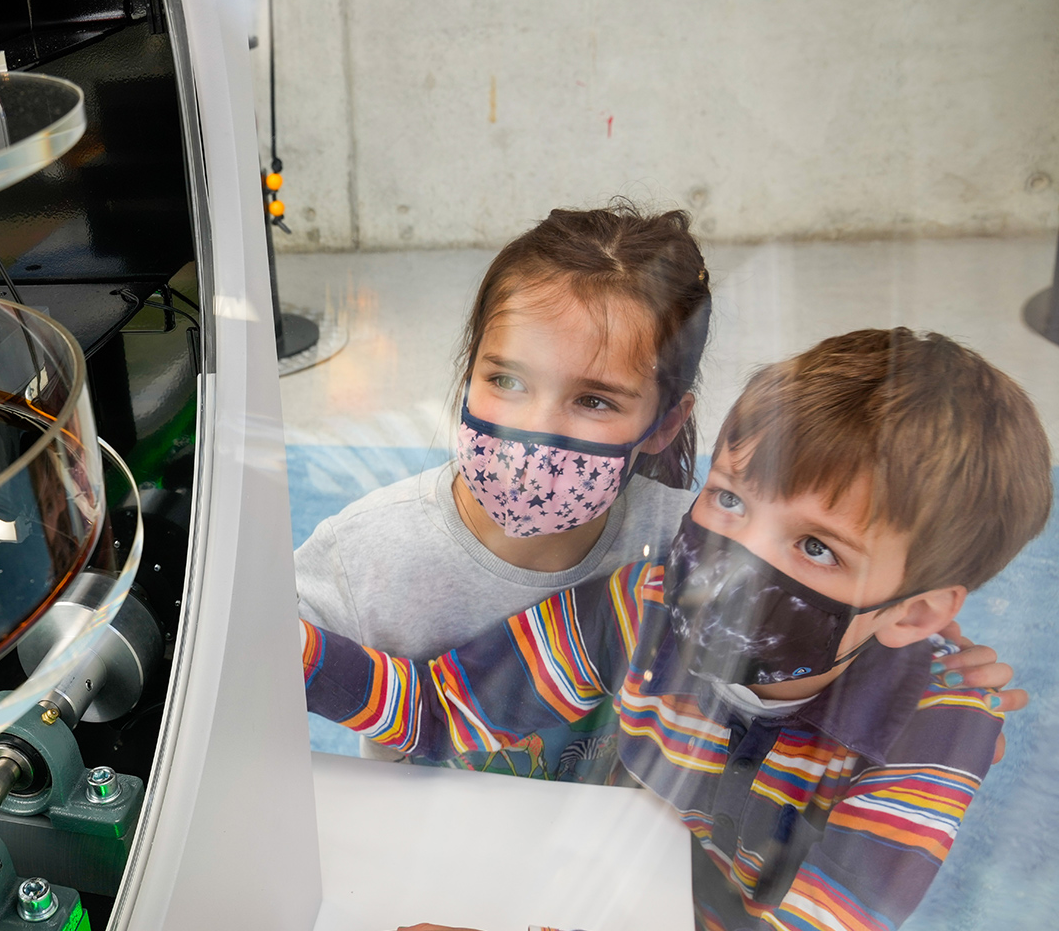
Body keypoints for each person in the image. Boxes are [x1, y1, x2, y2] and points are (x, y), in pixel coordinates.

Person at [299, 330, 1052, 931]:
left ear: (912, 614)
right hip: (603, 916)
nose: (736, 559)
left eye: (814, 547)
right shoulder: (648, 599)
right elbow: (446, 710)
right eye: (730, 498)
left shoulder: (940, 724)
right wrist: (292, 652)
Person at [296, 202, 1017, 774]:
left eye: (595, 400)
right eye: (505, 380)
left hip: (618, 874)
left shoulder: (696, 544)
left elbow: (787, 677)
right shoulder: (362, 554)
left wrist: (913, 688)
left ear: (665, 424)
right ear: (467, 371)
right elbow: (233, 676)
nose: (534, 431)